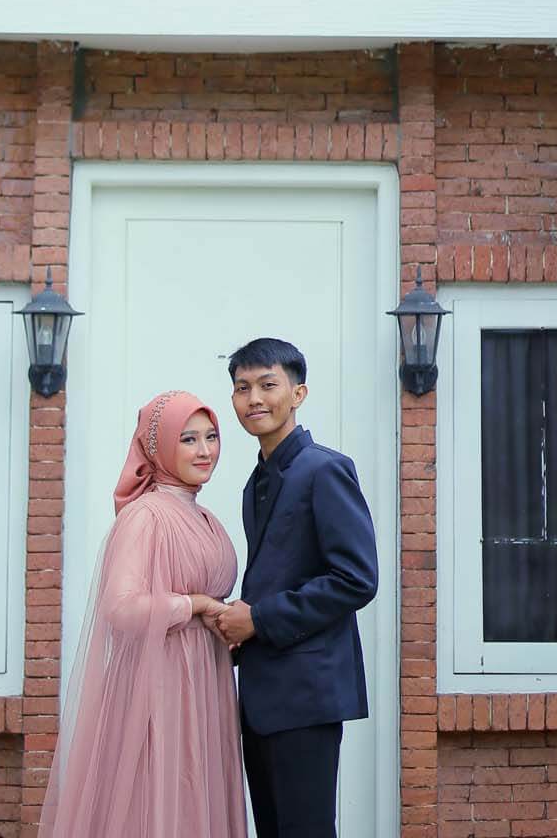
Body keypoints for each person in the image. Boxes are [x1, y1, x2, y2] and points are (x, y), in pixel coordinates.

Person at [39, 390, 247, 838]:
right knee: (158, 801)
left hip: (206, 682)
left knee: (195, 797)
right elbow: (121, 608)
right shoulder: (145, 516)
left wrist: (221, 620)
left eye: (211, 437)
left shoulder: (208, 519)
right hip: (160, 686)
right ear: (161, 446)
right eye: (188, 439)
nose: (205, 450)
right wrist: (195, 605)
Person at [214, 339, 378, 838]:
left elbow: (356, 578)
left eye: (268, 385)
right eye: (242, 388)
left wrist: (258, 618)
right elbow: (280, 573)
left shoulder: (324, 469)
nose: (253, 399)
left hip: (307, 694)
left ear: (298, 394)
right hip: (262, 696)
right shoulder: (257, 480)